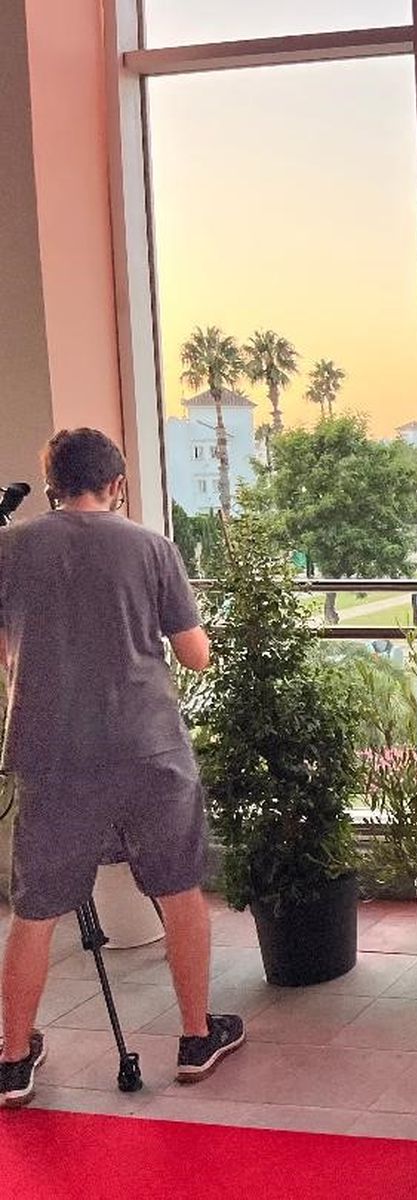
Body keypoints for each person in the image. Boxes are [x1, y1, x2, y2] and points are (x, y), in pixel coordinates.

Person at [0, 428, 243, 1110]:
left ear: (52, 483)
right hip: (148, 748)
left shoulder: (10, 549)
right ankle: (196, 1039)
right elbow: (195, 655)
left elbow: (6, 652)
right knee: (178, 891)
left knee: (35, 910)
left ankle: (14, 1057)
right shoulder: (151, 547)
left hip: (51, 754)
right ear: (118, 483)